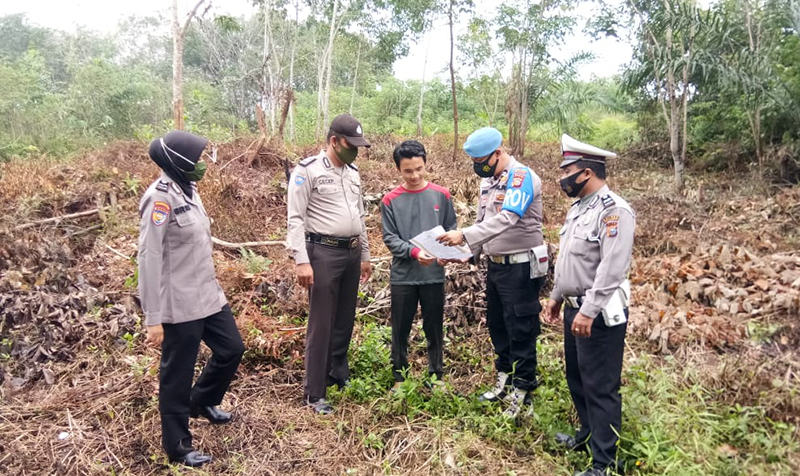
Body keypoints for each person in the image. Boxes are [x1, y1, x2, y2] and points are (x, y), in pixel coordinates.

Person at [138, 130, 245, 467]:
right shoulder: (160, 198)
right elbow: (149, 257)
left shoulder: (189, 189)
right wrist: (153, 317)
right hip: (179, 303)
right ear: (181, 161)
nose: (202, 164)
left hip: (208, 294)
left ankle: (203, 400)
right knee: (177, 375)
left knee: (232, 348)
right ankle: (179, 446)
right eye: (197, 159)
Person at [437, 127, 547, 418]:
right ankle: (505, 380)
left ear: (499, 152)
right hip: (496, 265)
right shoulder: (490, 180)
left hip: (522, 266)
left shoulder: (521, 178)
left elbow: (508, 217)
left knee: (521, 329)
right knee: (498, 325)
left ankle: (523, 392)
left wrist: (465, 235)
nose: (479, 167)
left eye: (483, 160)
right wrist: (467, 253)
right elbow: (482, 219)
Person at [543, 134, 635, 476]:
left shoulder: (615, 212)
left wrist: (588, 310)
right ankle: (587, 436)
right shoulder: (580, 207)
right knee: (577, 378)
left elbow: (613, 268)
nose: (561, 177)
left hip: (597, 314)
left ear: (587, 173)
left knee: (600, 385)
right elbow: (572, 261)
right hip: (574, 307)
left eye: (567, 170)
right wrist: (556, 297)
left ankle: (606, 462)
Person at [286, 114, 372, 415]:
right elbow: (295, 218)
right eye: (351, 144)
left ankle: (338, 371)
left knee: (344, 319)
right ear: (334, 141)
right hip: (321, 253)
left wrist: (364, 255)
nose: (355, 151)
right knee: (321, 324)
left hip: (350, 253)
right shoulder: (307, 171)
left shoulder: (353, 172)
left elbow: (359, 216)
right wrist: (301, 260)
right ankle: (314, 391)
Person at [381, 140, 457, 391]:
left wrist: (447, 252)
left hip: (433, 274)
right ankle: (400, 379)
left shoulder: (441, 195)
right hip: (403, 276)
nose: (415, 175)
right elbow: (390, 238)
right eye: (408, 171)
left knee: (434, 327)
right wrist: (413, 252)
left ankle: (436, 376)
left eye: (419, 169)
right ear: (398, 170)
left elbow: (451, 229)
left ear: (425, 164)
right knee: (400, 329)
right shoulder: (390, 200)